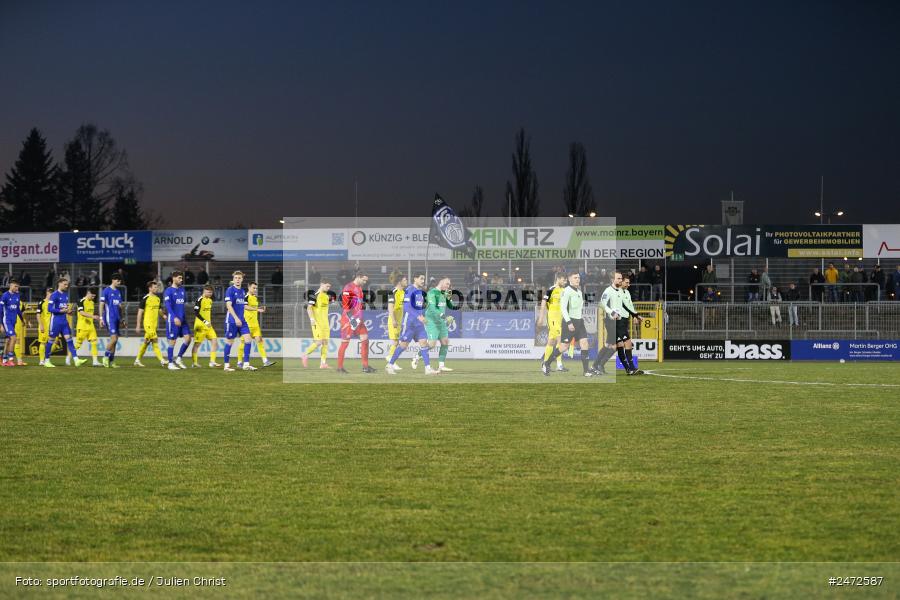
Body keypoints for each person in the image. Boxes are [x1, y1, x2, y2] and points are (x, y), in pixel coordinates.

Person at [386, 273, 438, 375]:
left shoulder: (421, 293)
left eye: (424, 279)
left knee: (424, 343)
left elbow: (421, 307)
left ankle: (427, 368)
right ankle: (390, 365)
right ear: (415, 279)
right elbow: (407, 307)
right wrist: (418, 316)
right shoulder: (409, 290)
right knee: (403, 345)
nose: (423, 281)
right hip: (409, 323)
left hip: (419, 325)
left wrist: (426, 316)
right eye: (421, 278)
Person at [542, 271, 592, 377]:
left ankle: (586, 371)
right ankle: (546, 363)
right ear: (570, 280)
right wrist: (569, 322)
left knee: (584, 343)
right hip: (569, 322)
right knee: (563, 346)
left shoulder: (579, 291)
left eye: (578, 277)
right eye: (575, 278)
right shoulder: (566, 291)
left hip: (579, 322)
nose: (578, 279)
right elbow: (563, 308)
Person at [43, 278, 87, 368]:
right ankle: (46, 361)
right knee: (51, 341)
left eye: (67, 284)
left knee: (69, 340)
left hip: (64, 321)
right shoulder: (54, 295)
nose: (67, 286)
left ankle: (76, 360)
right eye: (65, 284)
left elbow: (64, 308)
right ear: (59, 284)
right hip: (55, 322)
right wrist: (61, 310)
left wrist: (68, 311)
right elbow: (49, 309)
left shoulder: (66, 295)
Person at [337, 271, 374, 374]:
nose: (365, 282)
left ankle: (365, 367)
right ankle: (340, 367)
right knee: (345, 343)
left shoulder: (360, 288)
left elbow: (358, 304)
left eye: (366, 280)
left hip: (358, 320)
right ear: (358, 277)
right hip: (349, 320)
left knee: (365, 339)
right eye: (364, 280)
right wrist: (352, 320)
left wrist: (360, 317)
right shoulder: (348, 287)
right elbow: (346, 306)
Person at [222, 271, 255, 372]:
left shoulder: (243, 292)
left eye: (239, 278)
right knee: (229, 342)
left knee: (248, 340)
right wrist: (236, 318)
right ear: (233, 279)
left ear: (242, 279)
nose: (237, 279)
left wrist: (256, 309)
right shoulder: (230, 290)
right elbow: (228, 305)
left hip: (242, 321)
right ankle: (226, 365)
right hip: (232, 321)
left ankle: (246, 364)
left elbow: (244, 305)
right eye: (236, 278)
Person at [238, 281, 276, 368]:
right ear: (249, 287)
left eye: (256, 288)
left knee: (260, 341)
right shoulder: (245, 297)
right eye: (253, 288)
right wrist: (257, 310)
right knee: (243, 343)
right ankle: (239, 361)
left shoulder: (255, 298)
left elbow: (253, 308)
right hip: (246, 324)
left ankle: (265, 361)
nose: (255, 290)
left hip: (255, 324)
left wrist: (260, 308)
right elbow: (245, 306)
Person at [538, 273, 569, 373]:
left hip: (559, 319)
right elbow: (543, 302)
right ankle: (559, 365)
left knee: (551, 341)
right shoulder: (551, 289)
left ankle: (545, 363)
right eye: (564, 280)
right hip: (552, 318)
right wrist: (541, 317)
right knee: (560, 340)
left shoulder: (564, 290)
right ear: (558, 279)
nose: (565, 282)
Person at [592, 272, 621, 375]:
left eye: (620, 278)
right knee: (616, 345)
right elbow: (602, 304)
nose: (620, 280)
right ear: (612, 279)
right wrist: (612, 312)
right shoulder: (608, 290)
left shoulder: (619, 291)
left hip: (616, 321)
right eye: (618, 278)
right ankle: (600, 365)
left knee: (608, 345)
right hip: (610, 321)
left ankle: (595, 365)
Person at [424, 277, 454, 372]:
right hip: (432, 321)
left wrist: (449, 296)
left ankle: (441, 366)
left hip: (441, 321)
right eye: (447, 284)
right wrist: (445, 317)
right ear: (441, 282)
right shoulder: (432, 292)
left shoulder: (446, 293)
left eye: (449, 284)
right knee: (432, 345)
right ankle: (418, 355)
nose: (448, 286)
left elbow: (451, 306)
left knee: (445, 342)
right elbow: (432, 309)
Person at [134, 280, 167, 368]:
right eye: (155, 287)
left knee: (146, 342)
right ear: (150, 288)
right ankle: (162, 360)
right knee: (155, 340)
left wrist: (163, 315)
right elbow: (140, 312)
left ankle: (137, 360)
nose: (156, 289)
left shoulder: (157, 299)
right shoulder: (145, 298)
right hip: (147, 324)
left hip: (154, 324)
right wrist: (138, 325)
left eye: (157, 287)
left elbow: (159, 309)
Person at [164, 270, 192, 370]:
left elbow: (181, 305)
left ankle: (179, 358)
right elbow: (168, 306)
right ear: (174, 278)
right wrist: (174, 317)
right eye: (179, 278)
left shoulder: (182, 290)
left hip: (183, 320)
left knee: (188, 339)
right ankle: (170, 363)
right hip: (173, 320)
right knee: (172, 342)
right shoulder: (168, 291)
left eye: (181, 278)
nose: (181, 280)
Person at [618, 275, 645, 374]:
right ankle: (632, 368)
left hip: (624, 321)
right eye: (626, 282)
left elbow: (630, 306)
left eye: (629, 283)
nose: (628, 285)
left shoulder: (627, 292)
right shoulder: (617, 292)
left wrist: (634, 316)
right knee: (627, 343)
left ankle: (629, 369)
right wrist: (636, 315)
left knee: (615, 346)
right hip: (618, 322)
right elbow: (624, 306)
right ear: (621, 282)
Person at [303, 280, 332, 369]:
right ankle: (305, 355)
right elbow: (309, 308)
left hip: (325, 323)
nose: (328, 288)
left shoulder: (326, 296)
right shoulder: (314, 295)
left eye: (329, 287)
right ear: (322, 284)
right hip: (317, 323)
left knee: (325, 342)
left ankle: (323, 363)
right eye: (327, 286)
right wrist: (312, 319)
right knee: (319, 342)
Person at [190, 285, 220, 369]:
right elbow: (196, 313)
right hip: (200, 326)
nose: (210, 294)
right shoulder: (199, 300)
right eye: (208, 292)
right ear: (204, 291)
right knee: (197, 345)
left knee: (214, 341)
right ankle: (195, 363)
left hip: (209, 326)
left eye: (211, 292)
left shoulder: (210, 300)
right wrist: (205, 321)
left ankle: (212, 362)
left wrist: (208, 322)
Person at [99, 274, 124, 368]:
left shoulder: (118, 292)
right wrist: (101, 318)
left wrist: (122, 319)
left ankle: (112, 361)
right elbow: (101, 304)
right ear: (113, 280)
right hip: (110, 318)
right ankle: (105, 357)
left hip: (117, 318)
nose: (119, 282)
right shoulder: (106, 290)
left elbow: (120, 307)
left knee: (115, 340)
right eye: (118, 281)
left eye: (120, 281)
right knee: (113, 339)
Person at [384, 273, 407, 371]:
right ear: (400, 281)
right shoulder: (393, 292)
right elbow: (390, 306)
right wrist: (393, 320)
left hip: (399, 321)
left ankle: (391, 361)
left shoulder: (404, 292)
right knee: (396, 342)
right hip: (393, 320)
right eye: (405, 280)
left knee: (397, 342)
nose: (406, 281)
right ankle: (390, 359)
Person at [75, 288, 102, 366]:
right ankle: (68, 358)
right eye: (92, 296)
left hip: (91, 326)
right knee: (78, 345)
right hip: (82, 326)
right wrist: (93, 316)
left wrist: (97, 319)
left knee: (94, 343)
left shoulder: (92, 303)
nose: (93, 298)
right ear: (88, 293)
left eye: (94, 296)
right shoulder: (81, 301)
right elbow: (82, 312)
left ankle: (95, 361)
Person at [0, 280, 22, 366]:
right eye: (16, 286)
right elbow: (0, 310)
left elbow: (17, 309)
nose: (17, 288)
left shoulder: (17, 295)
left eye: (18, 287)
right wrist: (1, 324)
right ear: (11, 286)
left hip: (13, 321)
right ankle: (10, 359)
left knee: (8, 340)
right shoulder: (5, 296)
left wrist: (22, 320)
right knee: (13, 338)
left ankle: (4, 359)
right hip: (7, 321)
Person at [36, 288, 53, 366]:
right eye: (50, 292)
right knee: (43, 343)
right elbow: (38, 315)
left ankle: (47, 358)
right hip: (44, 326)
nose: (51, 294)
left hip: (53, 326)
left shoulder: (54, 303)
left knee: (54, 342)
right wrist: (41, 325)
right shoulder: (41, 302)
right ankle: (42, 360)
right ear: (47, 293)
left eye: (52, 293)